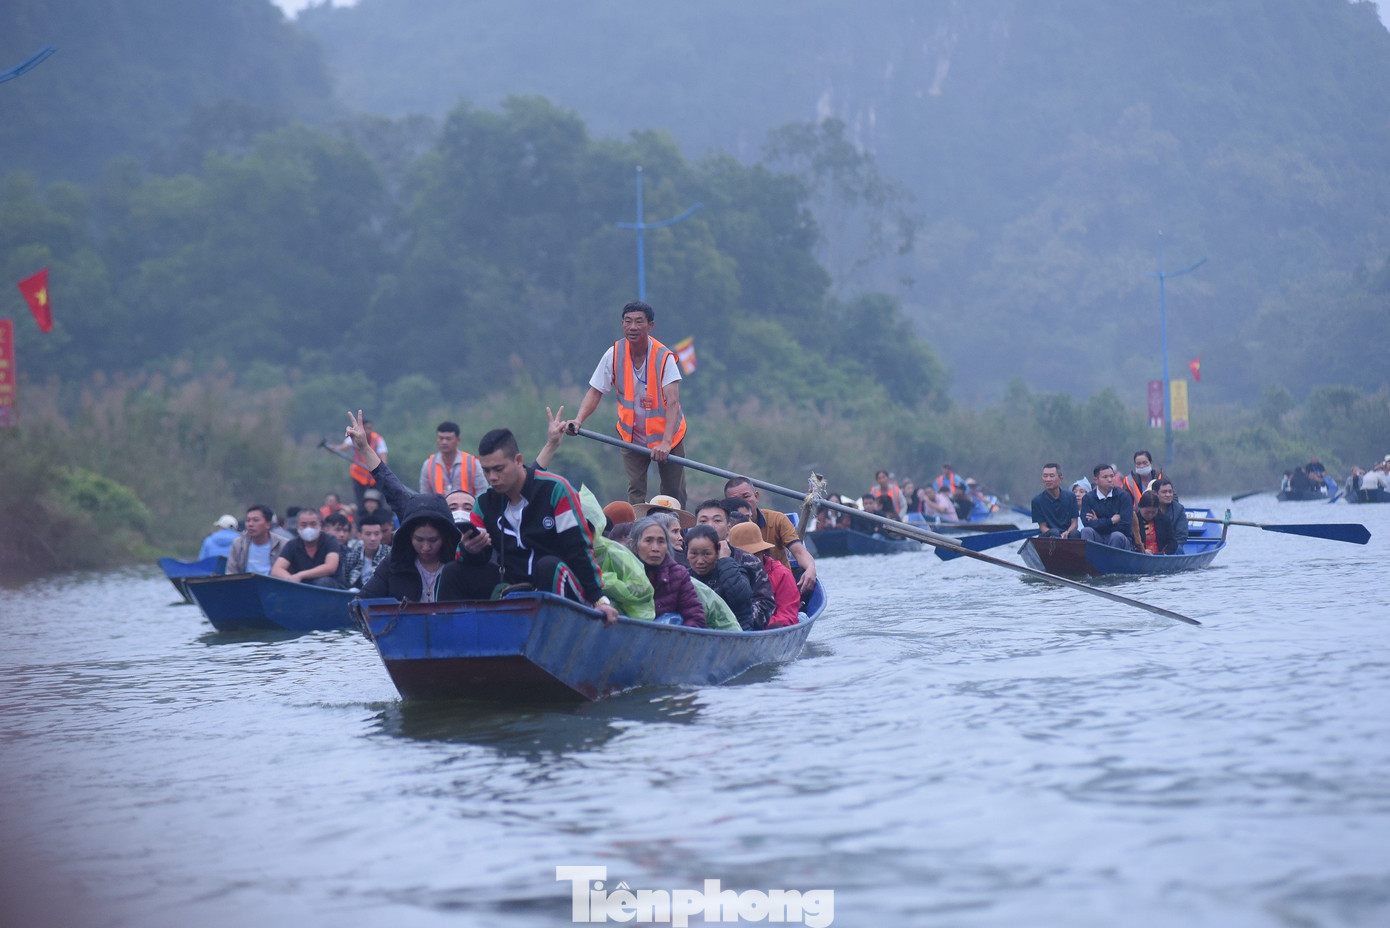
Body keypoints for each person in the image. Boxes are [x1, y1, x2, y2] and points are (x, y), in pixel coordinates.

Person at [454, 426, 619, 623]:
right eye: (486, 471)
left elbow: (578, 549)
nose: (492, 478)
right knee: (453, 572)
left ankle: (552, 632)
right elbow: (473, 556)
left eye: (499, 469)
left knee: (548, 566)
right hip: (513, 587)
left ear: (518, 461)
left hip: (563, 585)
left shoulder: (555, 490)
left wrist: (599, 599)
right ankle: (449, 635)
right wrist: (468, 549)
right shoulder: (483, 503)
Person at [562, 301, 689, 506]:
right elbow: (596, 391)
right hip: (632, 436)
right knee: (635, 489)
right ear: (622, 325)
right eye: (628, 322)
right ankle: (639, 525)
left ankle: (675, 526)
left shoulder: (663, 357)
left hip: (667, 437)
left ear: (650, 326)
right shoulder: (614, 354)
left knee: (673, 493)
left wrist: (666, 442)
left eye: (639, 322)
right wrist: (578, 420)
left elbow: (673, 403)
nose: (633, 327)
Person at [723, 476, 818, 596]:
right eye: (735, 501)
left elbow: (799, 552)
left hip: (780, 584)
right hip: (742, 587)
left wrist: (810, 568)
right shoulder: (723, 528)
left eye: (746, 497)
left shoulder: (777, 520)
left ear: (756, 496)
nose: (742, 503)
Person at [575, 485, 655, 618]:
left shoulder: (613, 552)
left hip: (627, 621)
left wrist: (602, 581)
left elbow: (643, 589)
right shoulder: (565, 552)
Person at [694, 499, 775, 629]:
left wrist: (732, 624)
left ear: (728, 529)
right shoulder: (685, 560)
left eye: (717, 521)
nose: (710, 526)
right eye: (703, 521)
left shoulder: (749, 561)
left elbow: (765, 604)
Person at [627, 516, 705, 627]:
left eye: (661, 541)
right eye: (648, 540)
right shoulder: (622, 572)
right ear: (634, 545)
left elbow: (695, 617)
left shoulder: (678, 575)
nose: (655, 548)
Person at [685, 524, 756, 630]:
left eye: (707, 554)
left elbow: (740, 598)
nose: (700, 561)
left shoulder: (736, 571)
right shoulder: (684, 578)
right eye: (693, 554)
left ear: (717, 551)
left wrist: (725, 561)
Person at [728, 522, 799, 628]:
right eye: (743, 557)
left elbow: (787, 614)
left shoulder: (782, 574)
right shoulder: (725, 575)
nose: (749, 560)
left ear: (763, 552)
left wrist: (760, 626)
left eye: (753, 555)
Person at [271, 508, 344, 587]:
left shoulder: (330, 540)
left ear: (320, 525)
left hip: (331, 588)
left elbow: (330, 567)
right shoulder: (292, 545)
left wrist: (301, 575)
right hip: (303, 589)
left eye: (313, 524)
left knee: (323, 582)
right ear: (297, 527)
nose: (309, 528)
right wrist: (290, 579)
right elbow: (276, 570)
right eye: (303, 525)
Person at [332, 418, 388, 512]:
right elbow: (342, 447)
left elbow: (383, 458)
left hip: (374, 476)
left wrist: (383, 472)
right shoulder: (354, 437)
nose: (368, 431)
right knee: (361, 502)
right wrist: (332, 448)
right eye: (365, 428)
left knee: (377, 500)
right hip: (359, 475)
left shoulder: (378, 440)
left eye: (370, 428)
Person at [419, 421, 486, 496]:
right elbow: (424, 495)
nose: (444, 442)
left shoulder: (472, 463)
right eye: (441, 438)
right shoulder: (429, 465)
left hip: (467, 503)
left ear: (458, 440)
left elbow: (482, 492)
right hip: (440, 504)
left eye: (448, 439)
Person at [1079, 464, 1134, 550]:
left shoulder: (1124, 496)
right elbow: (1087, 523)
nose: (1110, 480)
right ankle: (1088, 558)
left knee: (1116, 536)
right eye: (1105, 477)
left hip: (1120, 538)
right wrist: (1111, 521)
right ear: (1096, 480)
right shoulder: (1088, 498)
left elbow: (1125, 526)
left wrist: (1098, 522)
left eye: (1112, 476)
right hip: (1098, 536)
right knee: (1086, 531)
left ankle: (1112, 559)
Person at [224, 505, 285, 575]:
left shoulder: (282, 545)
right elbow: (231, 572)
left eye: (256, 520)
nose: (250, 524)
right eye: (248, 520)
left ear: (268, 524)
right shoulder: (238, 544)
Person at [343, 513, 391, 590]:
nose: (373, 538)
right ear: (360, 535)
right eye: (368, 534)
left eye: (376, 534)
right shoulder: (352, 556)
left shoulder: (390, 555)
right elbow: (346, 582)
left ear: (381, 535)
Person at [1031, 463, 1078, 538]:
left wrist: (1067, 532)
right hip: (1049, 536)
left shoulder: (1071, 497)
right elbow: (1042, 527)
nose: (1048, 479)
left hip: (1067, 534)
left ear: (1060, 479)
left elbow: (1074, 523)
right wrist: (1057, 536)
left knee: (1075, 533)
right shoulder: (1037, 501)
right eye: (1045, 476)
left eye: (1052, 476)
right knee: (1054, 532)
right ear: (1042, 478)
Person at [1132, 490, 1177, 555]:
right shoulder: (1133, 521)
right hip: (1139, 556)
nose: (1150, 515)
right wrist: (1142, 551)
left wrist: (1164, 553)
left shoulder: (1164, 520)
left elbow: (1172, 542)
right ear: (1140, 508)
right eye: (1147, 512)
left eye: (1153, 512)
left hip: (1160, 556)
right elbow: (1130, 542)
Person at [1152, 478, 1189, 550]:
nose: (1168, 495)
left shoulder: (1179, 509)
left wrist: (1170, 549)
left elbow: (1181, 535)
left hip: (1173, 546)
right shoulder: (1149, 508)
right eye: (1164, 492)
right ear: (1155, 493)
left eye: (1170, 492)